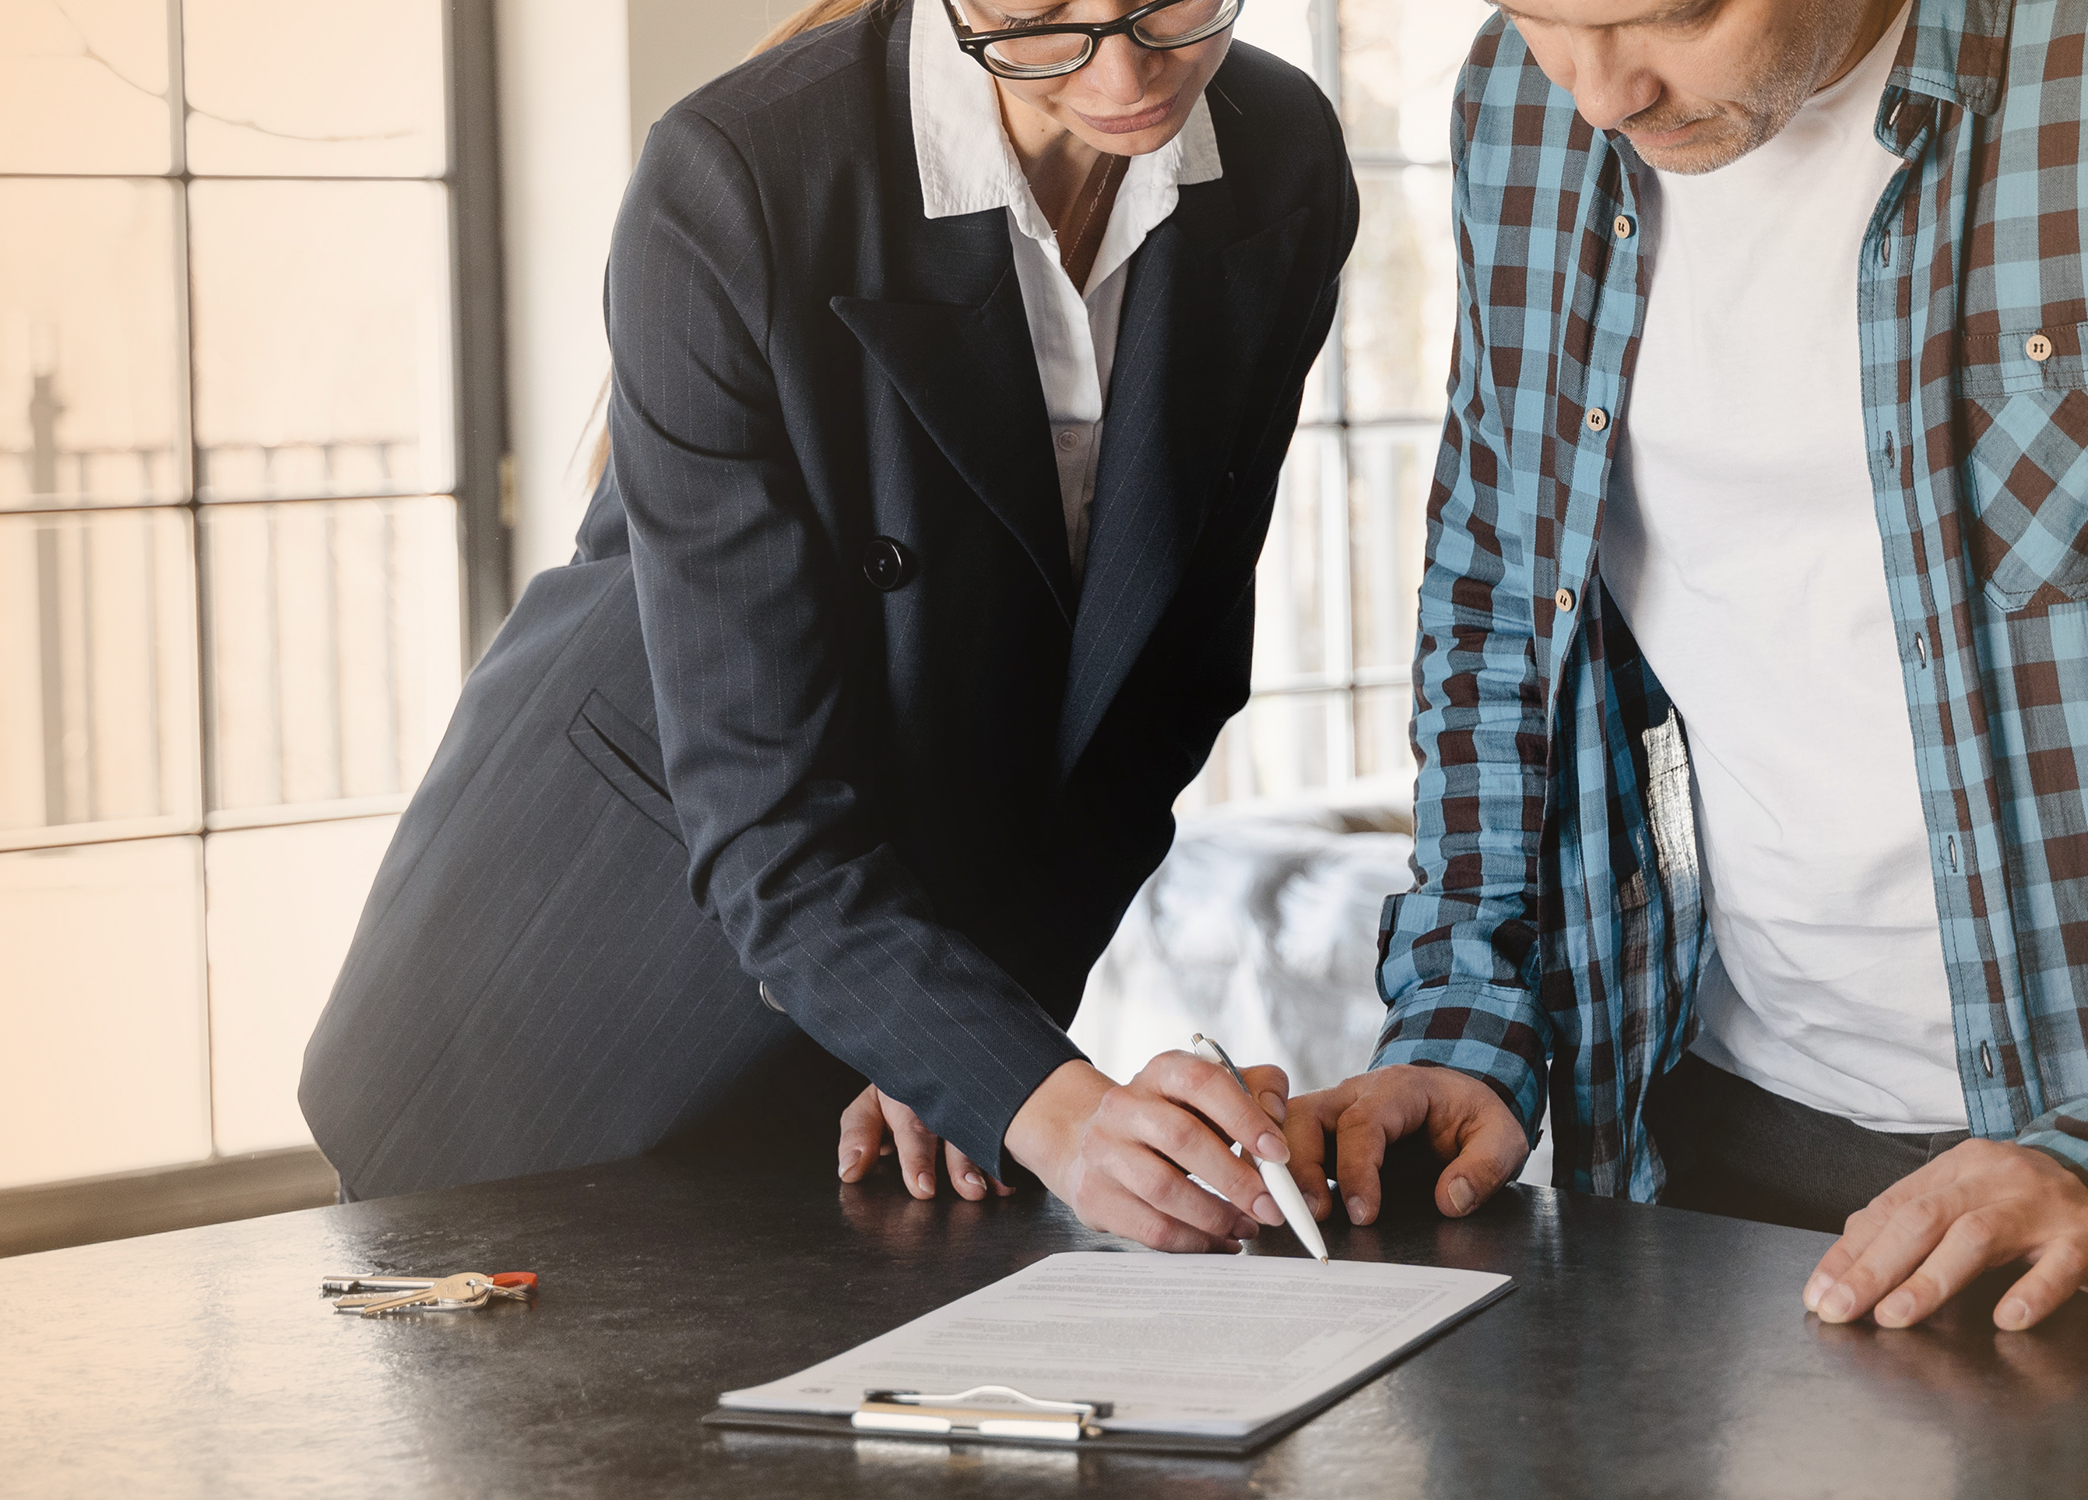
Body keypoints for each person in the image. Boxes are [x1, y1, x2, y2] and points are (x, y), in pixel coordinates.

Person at [1289, 0, 2088, 1332]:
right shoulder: (1515, 105)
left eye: (1671, 17)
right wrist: (1463, 1012)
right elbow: (1496, 599)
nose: (1598, 92)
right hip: (1724, 1157)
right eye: (1539, 15)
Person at [301, 0, 1356, 1256]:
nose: (1130, 69)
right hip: (592, 976)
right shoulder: (735, 179)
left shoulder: (1281, 160)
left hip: (900, 997)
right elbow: (765, 813)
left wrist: (984, 1043)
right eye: (1043, 20)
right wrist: (1051, 1105)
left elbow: (1164, 681)